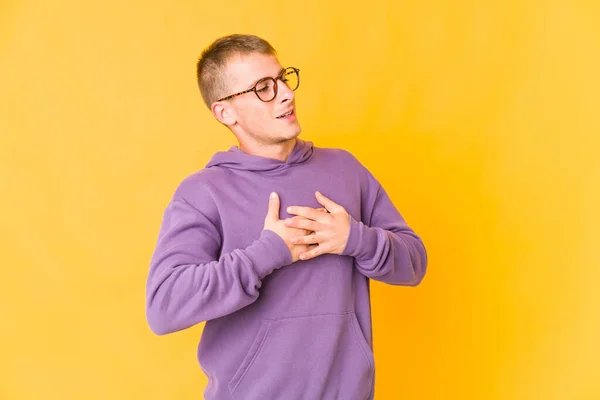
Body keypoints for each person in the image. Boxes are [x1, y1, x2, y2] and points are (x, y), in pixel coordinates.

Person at [145, 33, 428, 400]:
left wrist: (355, 239)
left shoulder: (345, 170)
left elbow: (415, 263)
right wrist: (268, 253)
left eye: (283, 78)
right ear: (225, 111)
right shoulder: (204, 192)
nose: (285, 94)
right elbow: (165, 307)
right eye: (263, 87)